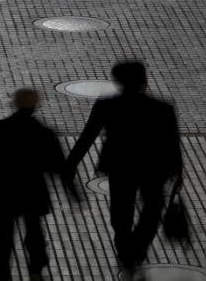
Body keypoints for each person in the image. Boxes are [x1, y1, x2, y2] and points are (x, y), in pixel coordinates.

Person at [62, 61, 183, 278]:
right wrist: (178, 170)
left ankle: (125, 249)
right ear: (143, 81)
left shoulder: (107, 105)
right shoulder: (162, 108)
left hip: (120, 166)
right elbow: (171, 142)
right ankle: (138, 247)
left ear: (117, 81)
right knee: (153, 210)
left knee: (121, 212)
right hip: (154, 168)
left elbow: (88, 135)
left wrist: (71, 163)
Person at [0, 89, 65, 281]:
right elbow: (57, 165)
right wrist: (73, 191)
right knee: (34, 227)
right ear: (36, 106)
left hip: (2, 192)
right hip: (31, 190)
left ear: (15, 104)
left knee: (0, 238)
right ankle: (37, 262)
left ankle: (0, 273)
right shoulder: (43, 133)